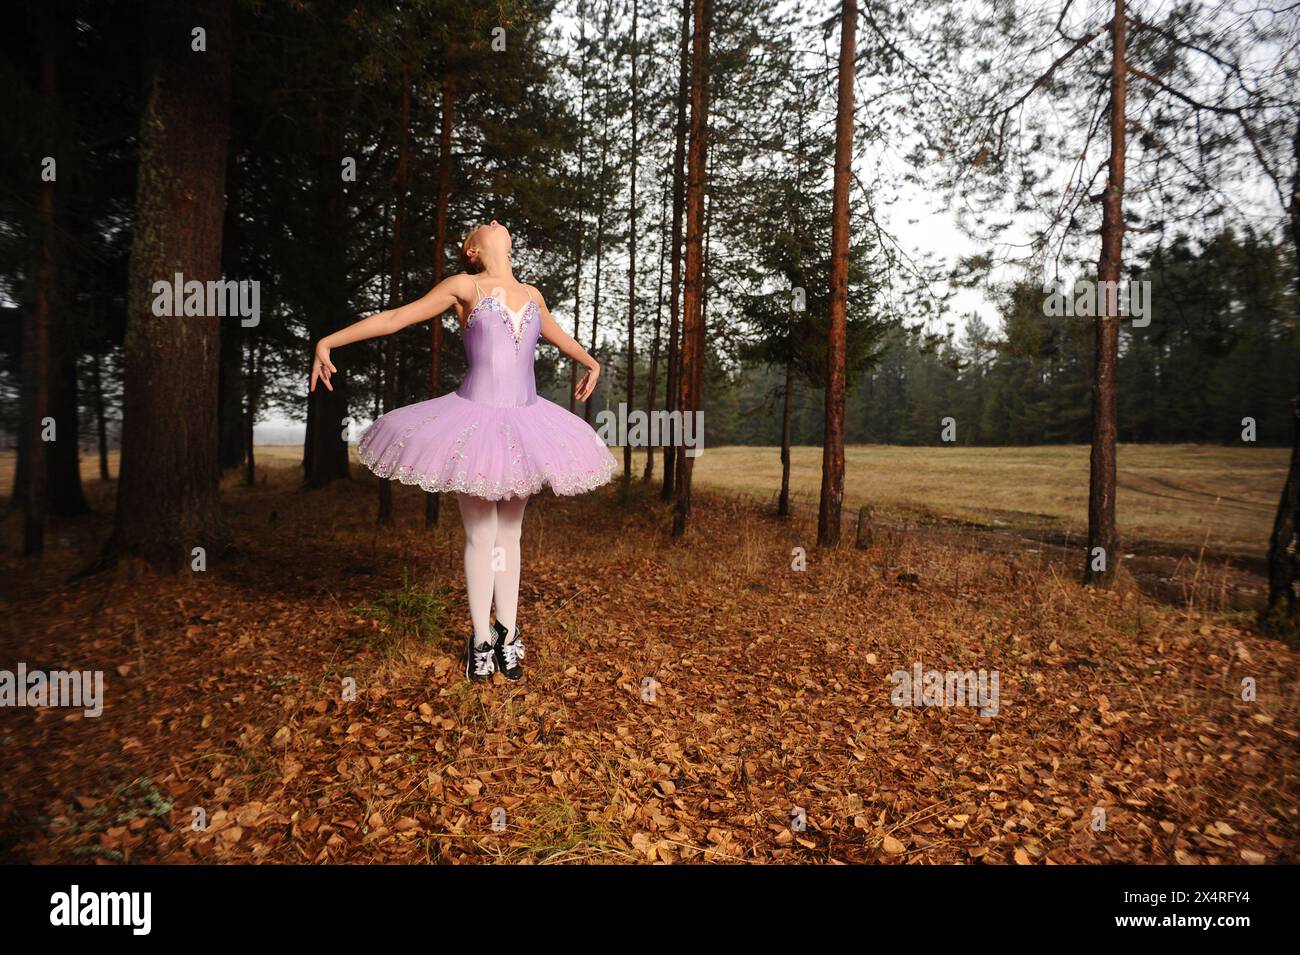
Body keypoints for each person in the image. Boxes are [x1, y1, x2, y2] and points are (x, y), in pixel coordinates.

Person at [309, 220, 616, 682]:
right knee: (481, 534)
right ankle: (479, 638)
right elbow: (396, 318)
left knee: (509, 535)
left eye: (497, 222)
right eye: (482, 225)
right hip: (474, 423)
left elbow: (557, 334)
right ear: (473, 249)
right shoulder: (463, 285)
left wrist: (590, 361)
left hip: (526, 422)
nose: (494, 222)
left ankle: (508, 633)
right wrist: (328, 340)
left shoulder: (532, 295)